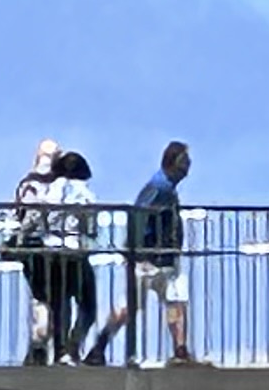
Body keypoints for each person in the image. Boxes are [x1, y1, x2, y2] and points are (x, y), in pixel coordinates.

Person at [95, 140, 195, 364]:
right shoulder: (159, 187)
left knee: (173, 301)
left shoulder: (165, 187)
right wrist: (136, 250)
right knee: (134, 306)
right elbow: (139, 216)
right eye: (185, 161)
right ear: (175, 163)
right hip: (150, 258)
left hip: (162, 258)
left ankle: (180, 350)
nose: (188, 166)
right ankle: (100, 345)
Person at [44, 148, 102, 367]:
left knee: (60, 305)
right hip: (75, 252)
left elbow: (43, 219)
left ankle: (59, 352)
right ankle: (73, 346)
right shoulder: (84, 192)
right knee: (88, 306)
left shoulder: (51, 190)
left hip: (51, 251)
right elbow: (90, 227)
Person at [8, 138, 65, 361]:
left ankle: (39, 342)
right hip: (55, 246)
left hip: (33, 245)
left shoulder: (28, 183)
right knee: (55, 297)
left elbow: (22, 215)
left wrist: (19, 236)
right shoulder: (61, 183)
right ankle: (52, 345)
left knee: (40, 296)